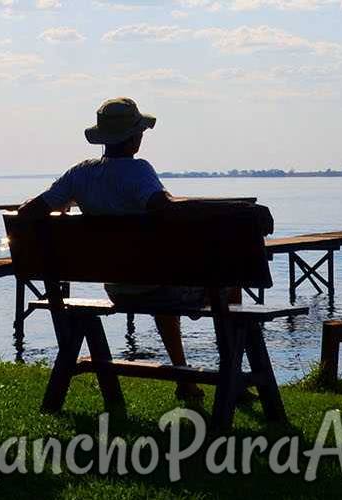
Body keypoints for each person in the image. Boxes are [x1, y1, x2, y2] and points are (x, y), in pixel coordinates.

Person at [17, 97, 215, 400]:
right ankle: (232, 381)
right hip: (155, 286)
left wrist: (60, 211)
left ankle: (185, 381)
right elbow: (164, 208)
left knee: (155, 283)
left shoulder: (79, 174)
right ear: (134, 138)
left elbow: (28, 211)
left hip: (117, 288)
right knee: (228, 286)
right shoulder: (139, 172)